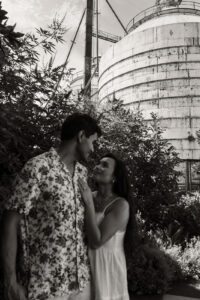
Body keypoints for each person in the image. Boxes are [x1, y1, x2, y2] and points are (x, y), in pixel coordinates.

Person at [0, 113, 102, 300]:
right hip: (43, 287)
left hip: (80, 284)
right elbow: (9, 223)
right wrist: (10, 282)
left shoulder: (81, 172)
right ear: (80, 136)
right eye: (92, 141)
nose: (93, 149)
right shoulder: (38, 167)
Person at [78, 153, 131, 300]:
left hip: (108, 269)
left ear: (114, 177)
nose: (97, 167)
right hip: (83, 266)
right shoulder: (88, 195)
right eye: (98, 163)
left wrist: (88, 203)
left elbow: (96, 242)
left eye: (105, 165)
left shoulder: (121, 205)